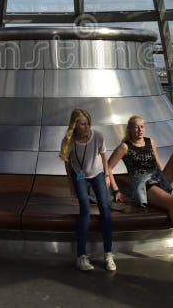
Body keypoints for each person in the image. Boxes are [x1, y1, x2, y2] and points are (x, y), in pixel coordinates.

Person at [108, 116, 173, 274]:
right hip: (144, 186)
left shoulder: (150, 142)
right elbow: (108, 168)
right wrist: (116, 190)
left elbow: (158, 165)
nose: (140, 130)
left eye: (142, 126)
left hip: (158, 179)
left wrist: (170, 186)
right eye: (136, 127)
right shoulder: (125, 147)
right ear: (129, 129)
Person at [59, 108, 116, 272]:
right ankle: (81, 256)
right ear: (75, 125)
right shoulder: (68, 141)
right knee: (85, 208)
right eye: (83, 124)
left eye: (88, 123)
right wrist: (70, 183)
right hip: (80, 176)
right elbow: (67, 164)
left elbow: (104, 157)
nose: (86, 127)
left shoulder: (97, 136)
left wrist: (106, 176)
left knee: (105, 207)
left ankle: (108, 253)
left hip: (97, 173)